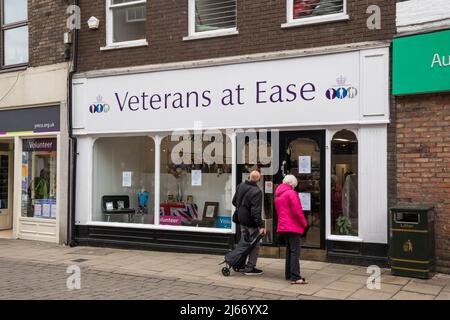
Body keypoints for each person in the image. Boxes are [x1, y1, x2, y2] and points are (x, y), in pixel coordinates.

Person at [274, 175, 309, 284]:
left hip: (284, 226)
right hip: (293, 226)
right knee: (295, 252)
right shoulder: (291, 193)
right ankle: (295, 277)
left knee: (289, 251)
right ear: (292, 184)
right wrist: (304, 223)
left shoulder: (278, 194)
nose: (295, 186)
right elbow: (297, 212)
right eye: (295, 185)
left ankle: (288, 274)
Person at [232, 170, 266, 276]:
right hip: (251, 222)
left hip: (242, 220)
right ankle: (250, 268)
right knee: (254, 245)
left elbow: (234, 201)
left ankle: (239, 263)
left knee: (244, 242)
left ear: (249, 177)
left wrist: (242, 208)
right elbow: (256, 212)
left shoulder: (240, 186)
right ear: (258, 179)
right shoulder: (257, 191)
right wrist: (261, 226)